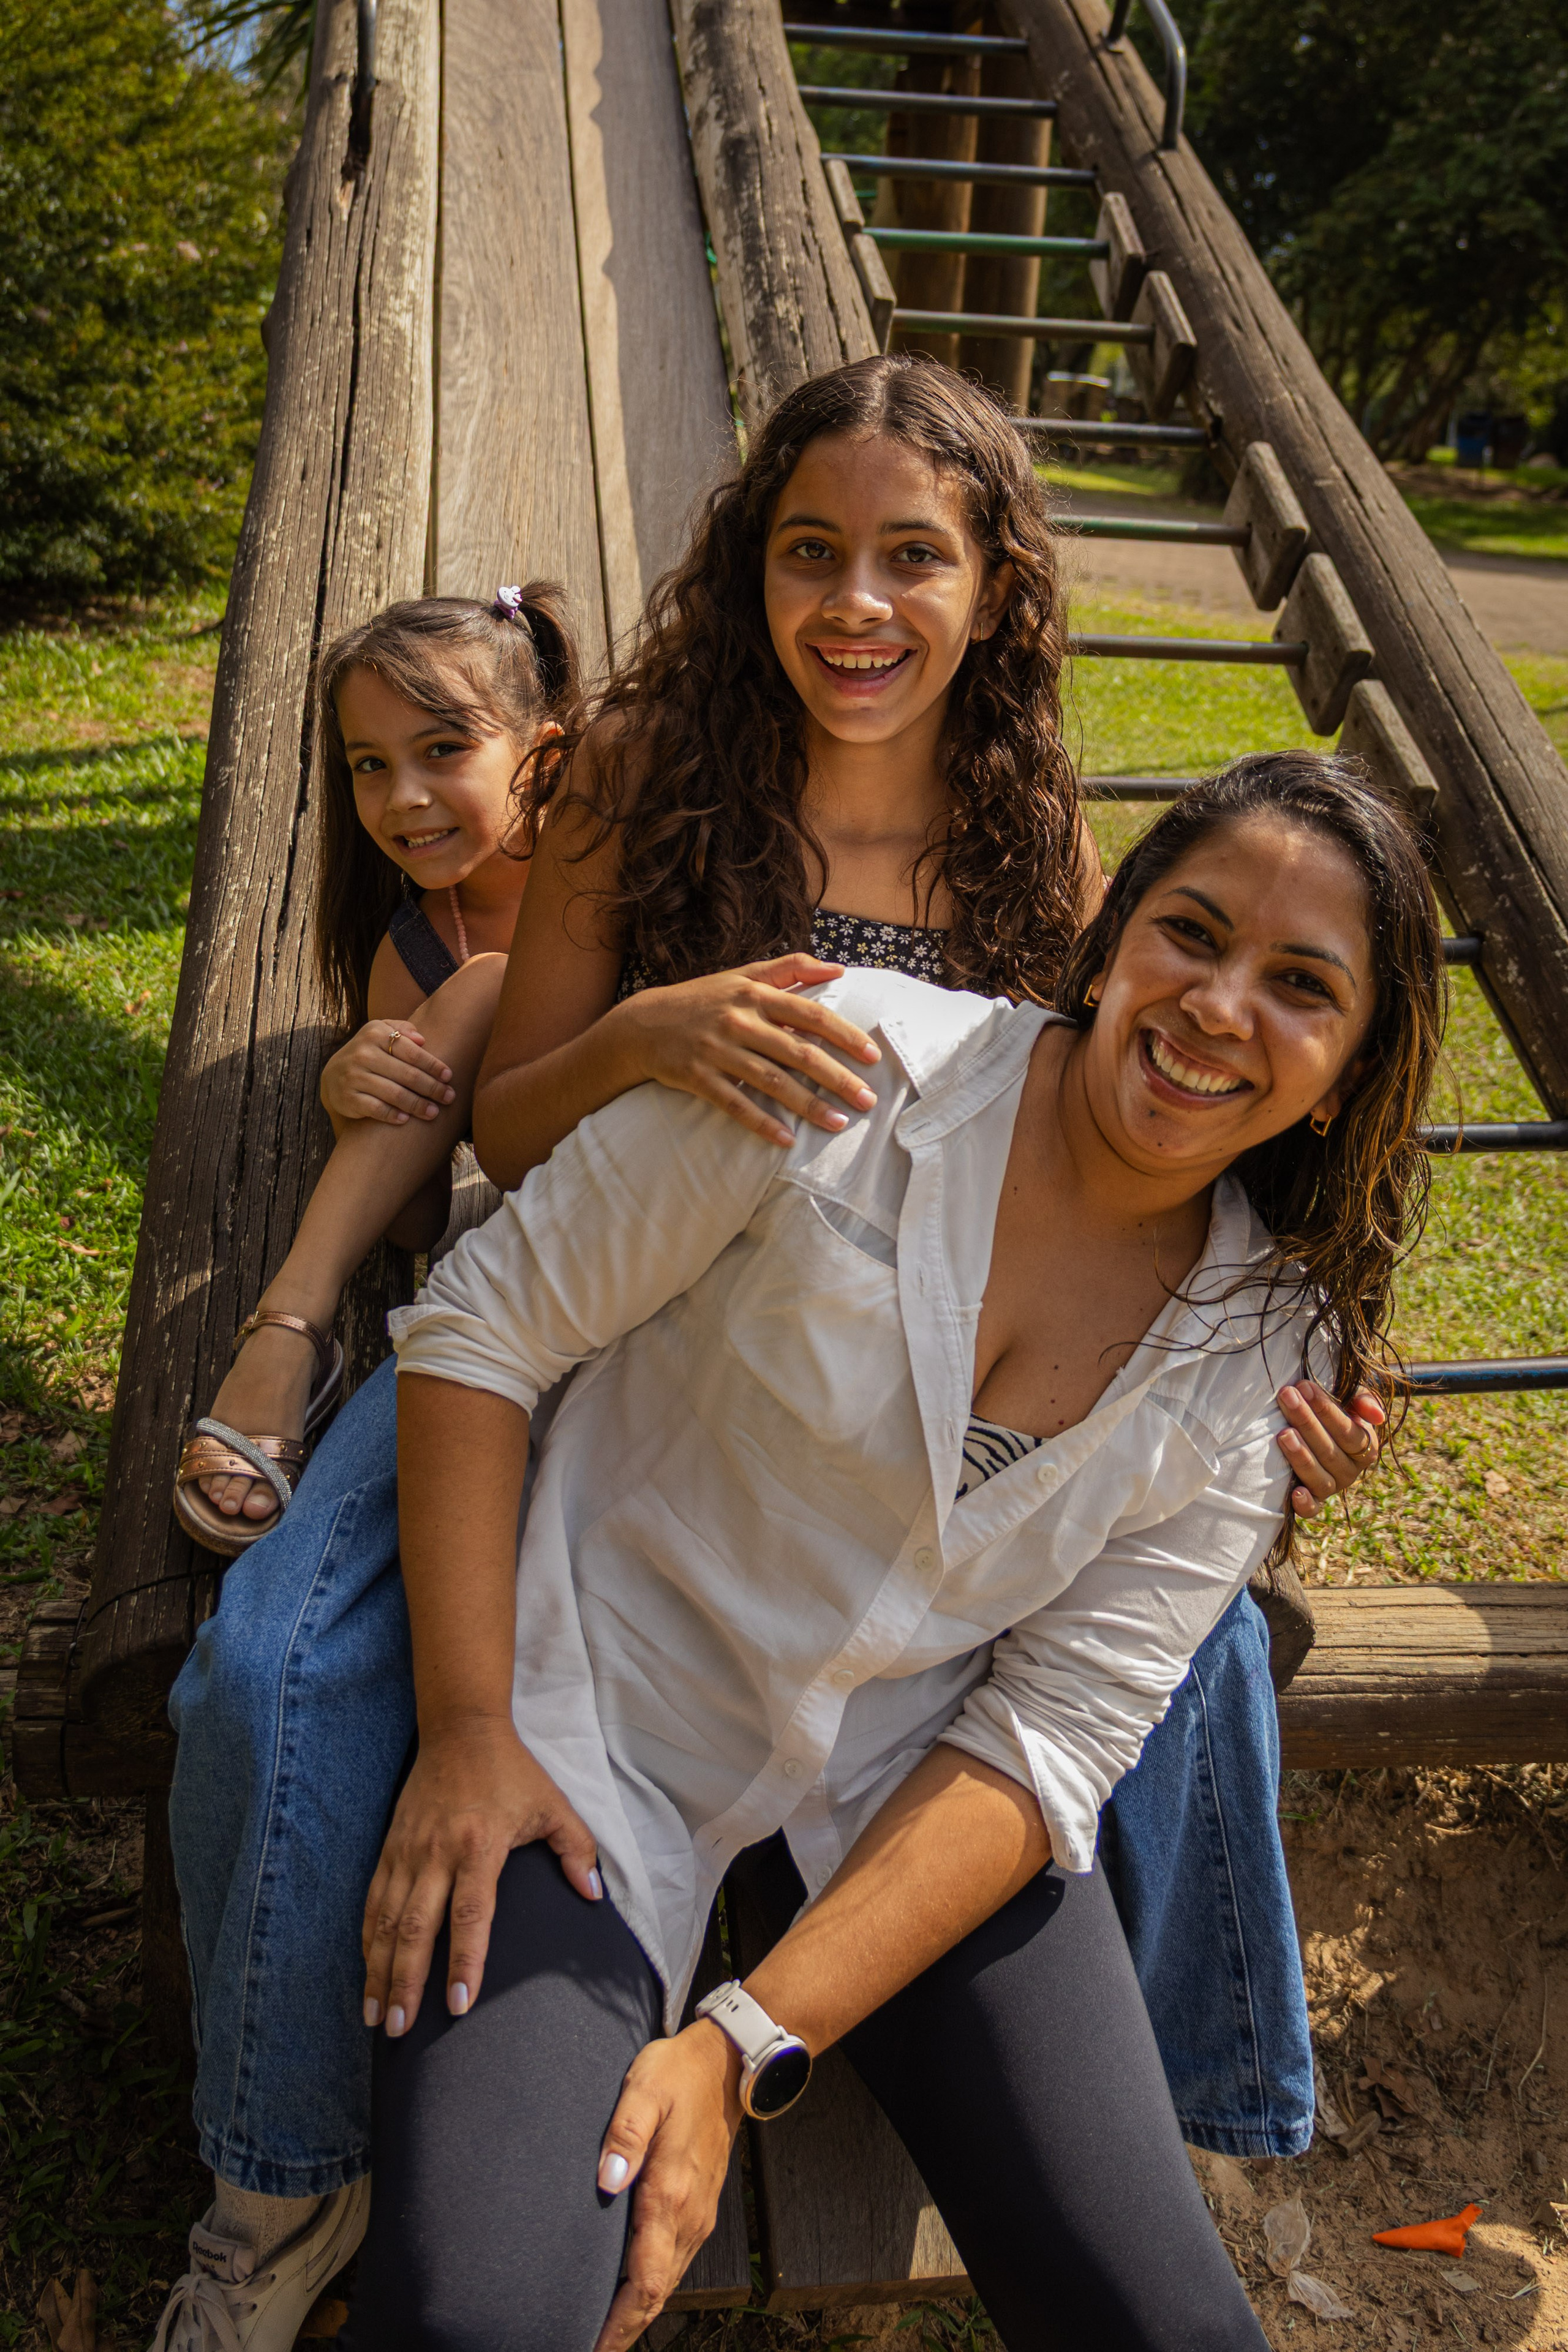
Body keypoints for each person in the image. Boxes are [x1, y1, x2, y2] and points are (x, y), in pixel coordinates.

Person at [154, 358, 1379, 2350]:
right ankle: (283, 2180)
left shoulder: (1030, 837)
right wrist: (660, 1032)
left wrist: (1256, 1412)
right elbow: (516, 1147)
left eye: (916, 558)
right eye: (813, 554)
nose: (858, 605)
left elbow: (1116, 1133)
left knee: (1205, 1630)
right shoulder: (643, 765)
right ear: (753, 566)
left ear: (998, 591)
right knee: (285, 1659)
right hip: (606, 1310)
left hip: (859, 1379)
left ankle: (1193, 2111)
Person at [343, 752, 1447, 2351]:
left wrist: (738, 2047)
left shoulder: (1265, 1346)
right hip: (600, 1718)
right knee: (474, 2321)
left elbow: (1054, 1730)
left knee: (1168, 2328)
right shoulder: (847, 1059)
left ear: (1346, 1068)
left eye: (1298, 986)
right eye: (1191, 934)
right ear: (1113, 932)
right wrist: (465, 1731)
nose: (1217, 1006)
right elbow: (479, 1329)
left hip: (907, 1767)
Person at [171, 586, 579, 1553]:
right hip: (550, 1228)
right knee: (474, 990)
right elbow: (419, 1219)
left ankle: (287, 1327)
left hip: (671, 1181)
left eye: (443, 750)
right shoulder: (416, 957)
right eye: (369, 765)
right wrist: (356, 1087)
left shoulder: (615, 859)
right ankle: (289, 1336)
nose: (403, 797)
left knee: (486, 989)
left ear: (543, 752)